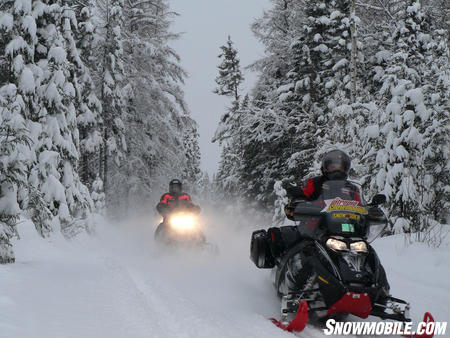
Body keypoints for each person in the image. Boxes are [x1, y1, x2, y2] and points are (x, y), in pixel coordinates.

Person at [282, 149, 352, 201]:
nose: (337, 171)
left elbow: (360, 205)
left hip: (346, 219)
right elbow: (305, 192)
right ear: (325, 168)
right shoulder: (315, 183)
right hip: (317, 219)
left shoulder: (352, 188)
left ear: (345, 169)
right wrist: (298, 192)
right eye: (333, 167)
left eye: (340, 168)